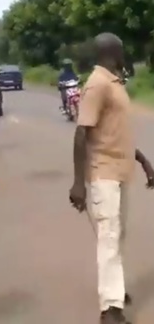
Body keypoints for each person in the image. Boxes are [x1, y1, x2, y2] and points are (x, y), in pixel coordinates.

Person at [69, 33, 154, 324]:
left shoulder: (114, 82)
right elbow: (82, 133)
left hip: (119, 171)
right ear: (113, 52)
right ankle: (110, 309)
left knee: (117, 235)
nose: (125, 54)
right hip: (102, 173)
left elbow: (116, 131)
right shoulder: (98, 84)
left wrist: (142, 161)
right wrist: (79, 182)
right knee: (109, 237)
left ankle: (114, 290)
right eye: (122, 50)